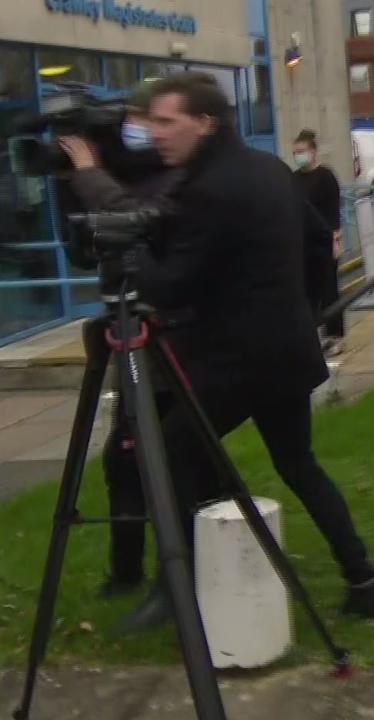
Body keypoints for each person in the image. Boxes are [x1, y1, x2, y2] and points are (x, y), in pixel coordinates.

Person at [115, 71, 374, 630]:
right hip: (285, 350)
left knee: (163, 451)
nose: (155, 133)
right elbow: (321, 243)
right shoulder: (270, 169)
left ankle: (178, 589)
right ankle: (365, 582)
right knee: (297, 464)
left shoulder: (207, 189)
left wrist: (126, 256)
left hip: (236, 360)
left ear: (205, 122)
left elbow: (170, 284)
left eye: (167, 122)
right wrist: (310, 308)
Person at [55, 80, 186, 601]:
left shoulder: (167, 177)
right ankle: (128, 571)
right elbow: (86, 251)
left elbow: (143, 222)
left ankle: (168, 575)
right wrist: (75, 181)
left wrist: (90, 172)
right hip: (128, 322)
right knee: (123, 459)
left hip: (165, 333)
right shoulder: (116, 176)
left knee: (166, 458)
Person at [292, 129, 346, 357]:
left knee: (329, 290)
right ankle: (315, 335)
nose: (298, 156)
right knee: (308, 292)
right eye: (295, 152)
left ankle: (336, 336)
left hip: (325, 241)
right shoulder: (294, 178)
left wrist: (335, 239)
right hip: (304, 244)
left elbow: (334, 210)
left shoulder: (325, 177)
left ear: (313, 152)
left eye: (302, 151)